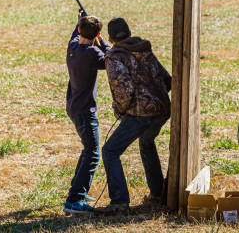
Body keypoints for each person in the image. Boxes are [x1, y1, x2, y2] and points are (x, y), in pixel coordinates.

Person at [95, 17, 171, 215]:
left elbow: (124, 90)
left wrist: (120, 110)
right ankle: (157, 193)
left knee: (110, 151)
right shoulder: (144, 49)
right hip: (162, 109)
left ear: (110, 38)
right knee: (146, 143)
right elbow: (166, 79)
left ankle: (119, 201)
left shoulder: (114, 56)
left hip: (140, 113)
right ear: (128, 33)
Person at [63, 13, 110, 215]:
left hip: (74, 107)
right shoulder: (93, 54)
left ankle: (77, 190)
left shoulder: (72, 47)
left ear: (80, 30)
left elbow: (76, 34)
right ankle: (75, 200)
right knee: (93, 153)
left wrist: (80, 21)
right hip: (85, 111)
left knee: (87, 148)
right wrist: (102, 41)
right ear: (97, 34)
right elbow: (112, 56)